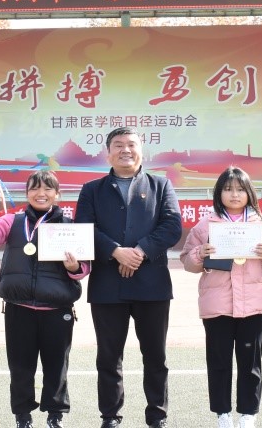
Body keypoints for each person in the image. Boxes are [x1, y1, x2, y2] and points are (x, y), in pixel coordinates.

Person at [74, 126, 183, 428]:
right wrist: (115, 251)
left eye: (131, 144)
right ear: (108, 153)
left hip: (152, 286)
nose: (125, 150)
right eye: (118, 145)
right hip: (108, 286)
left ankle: (157, 416)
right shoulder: (92, 189)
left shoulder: (161, 185)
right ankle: (110, 416)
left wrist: (139, 252)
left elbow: (172, 226)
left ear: (141, 151)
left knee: (156, 356)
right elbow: (84, 228)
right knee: (109, 357)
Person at [0, 170, 91, 428]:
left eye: (47, 189)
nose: (41, 193)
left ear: (57, 194)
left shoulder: (70, 226)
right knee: (20, 367)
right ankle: (22, 416)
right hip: (19, 308)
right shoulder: (12, 221)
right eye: (34, 188)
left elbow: (83, 269)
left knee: (57, 366)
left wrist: (73, 267)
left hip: (57, 309)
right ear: (27, 193)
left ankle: (55, 415)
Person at [179, 167, 262, 428]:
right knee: (218, 361)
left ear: (249, 193)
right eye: (228, 189)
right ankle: (222, 414)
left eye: (240, 189)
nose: (234, 194)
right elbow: (187, 262)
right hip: (217, 305)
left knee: (251, 362)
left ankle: (248, 414)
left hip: (254, 304)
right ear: (219, 193)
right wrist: (199, 254)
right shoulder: (206, 225)